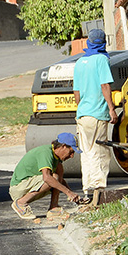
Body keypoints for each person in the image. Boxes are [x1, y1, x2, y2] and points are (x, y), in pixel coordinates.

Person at [73, 28, 117, 206]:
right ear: (103, 43)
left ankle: (87, 190)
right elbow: (105, 86)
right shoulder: (101, 59)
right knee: (100, 152)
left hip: (83, 114)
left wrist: (82, 107)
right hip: (97, 113)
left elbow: (76, 92)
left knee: (87, 152)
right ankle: (98, 192)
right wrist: (112, 109)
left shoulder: (80, 62)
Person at [9, 132, 81, 220]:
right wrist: (68, 193)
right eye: (71, 152)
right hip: (18, 188)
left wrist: (73, 196)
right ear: (63, 146)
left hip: (28, 186)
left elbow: (60, 181)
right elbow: (46, 178)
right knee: (52, 178)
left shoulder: (56, 159)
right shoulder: (46, 152)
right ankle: (20, 203)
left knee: (58, 172)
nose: (72, 156)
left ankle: (53, 208)